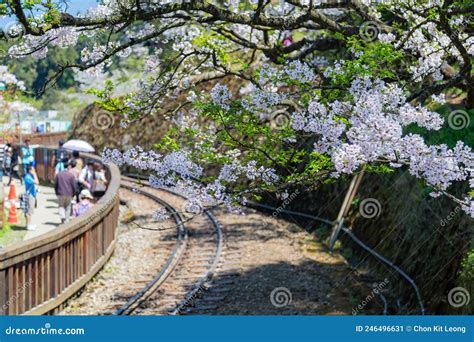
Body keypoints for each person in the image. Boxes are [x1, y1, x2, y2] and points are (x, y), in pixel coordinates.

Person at [54, 160, 77, 224]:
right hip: (69, 193)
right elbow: (74, 186)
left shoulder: (59, 175)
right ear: (69, 167)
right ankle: (66, 220)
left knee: (61, 206)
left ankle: (62, 216)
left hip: (60, 193)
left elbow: (55, 185)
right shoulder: (71, 175)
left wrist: (56, 192)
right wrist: (74, 194)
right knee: (68, 207)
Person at [21, 165, 37, 231]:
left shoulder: (29, 176)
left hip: (32, 195)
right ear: (30, 170)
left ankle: (29, 224)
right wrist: (35, 174)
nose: (34, 170)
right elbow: (37, 182)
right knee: (29, 211)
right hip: (30, 196)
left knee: (30, 211)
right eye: (33, 169)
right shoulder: (28, 177)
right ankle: (28, 225)